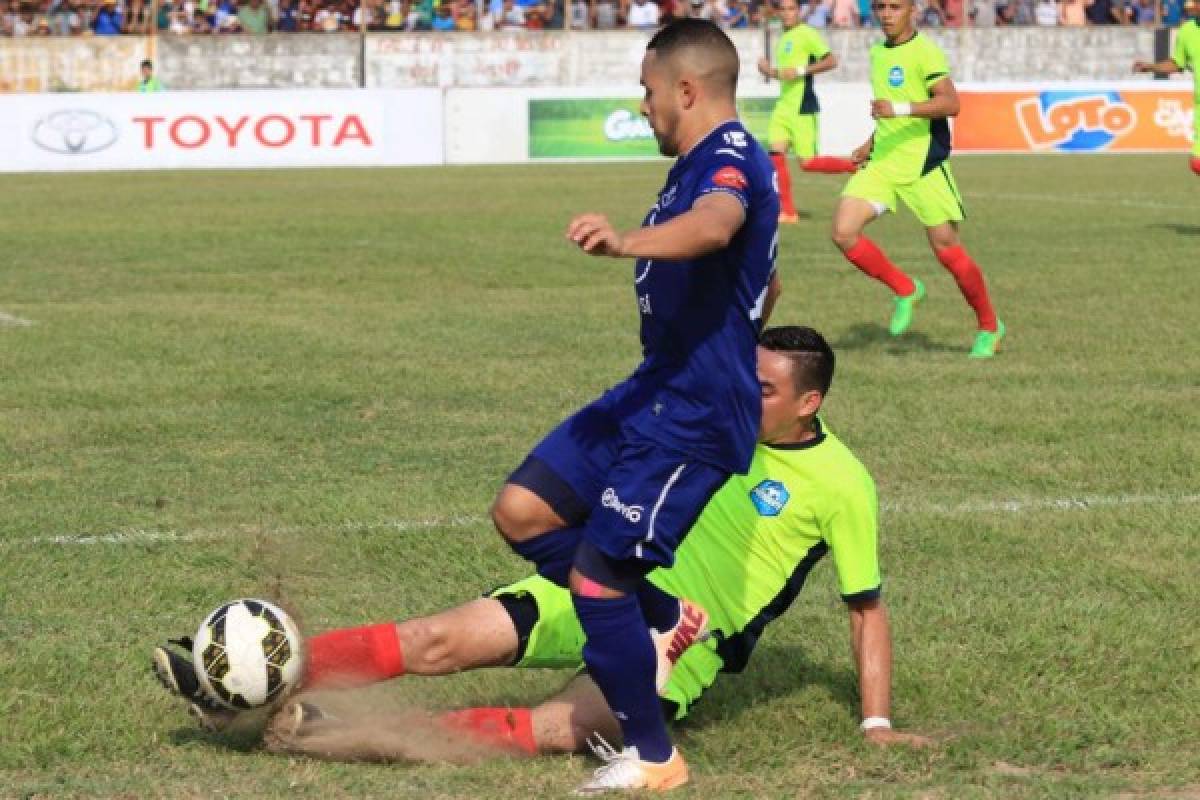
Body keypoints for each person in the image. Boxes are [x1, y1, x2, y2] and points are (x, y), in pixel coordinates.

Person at [152, 327, 931, 764]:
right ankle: (237, 683)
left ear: (810, 401)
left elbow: (866, 610)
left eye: (763, 389)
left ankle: (325, 731)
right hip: (599, 579)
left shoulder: (843, 484)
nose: (742, 393)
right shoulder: (710, 417)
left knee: (562, 730)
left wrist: (876, 724)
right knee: (436, 640)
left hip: (680, 640)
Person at [490, 19, 778, 793]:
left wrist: (624, 244)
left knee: (595, 580)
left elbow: (718, 228)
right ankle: (665, 615)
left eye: (649, 90)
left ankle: (656, 759)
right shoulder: (691, 163)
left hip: (695, 411)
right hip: (654, 388)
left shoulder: (728, 157)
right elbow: (763, 278)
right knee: (523, 510)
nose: (643, 104)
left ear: (686, 90)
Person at [831, 0, 1004, 358]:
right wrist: (869, 144)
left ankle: (989, 326)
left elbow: (951, 103)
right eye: (880, 8)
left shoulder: (926, 53)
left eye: (895, 7)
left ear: (912, 10)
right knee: (843, 232)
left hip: (924, 163)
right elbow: (889, 114)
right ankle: (905, 288)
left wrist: (900, 108)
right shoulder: (878, 52)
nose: (886, 14)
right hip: (884, 162)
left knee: (947, 250)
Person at [757, 0, 856, 225]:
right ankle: (788, 212)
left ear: (798, 11)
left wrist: (801, 70)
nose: (787, 13)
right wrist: (769, 71)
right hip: (784, 106)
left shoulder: (807, 34)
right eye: (783, 9)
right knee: (775, 155)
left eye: (791, 9)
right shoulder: (783, 38)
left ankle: (854, 167)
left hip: (803, 106)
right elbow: (786, 75)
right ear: (778, 13)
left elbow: (831, 61)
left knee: (807, 163)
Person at [1133, 0, 1200, 175]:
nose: (1191, 8)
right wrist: (1151, 67)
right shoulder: (1187, 31)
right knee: (1197, 163)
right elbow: (1177, 63)